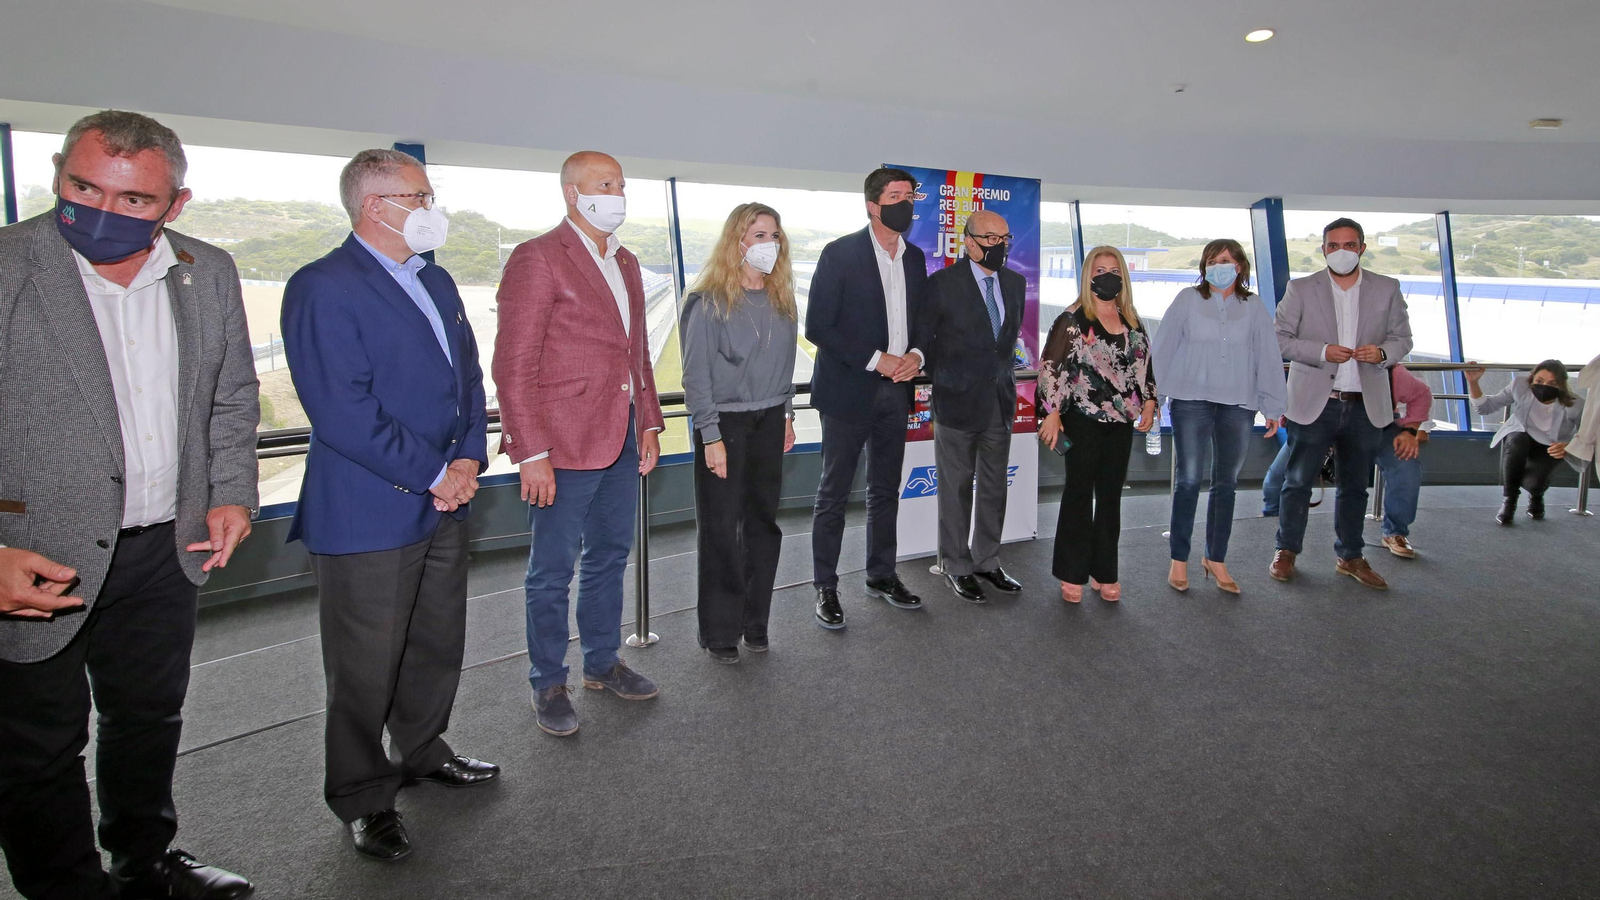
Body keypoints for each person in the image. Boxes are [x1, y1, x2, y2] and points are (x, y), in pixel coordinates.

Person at [0, 111, 257, 899]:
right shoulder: (9, 265)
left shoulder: (208, 271)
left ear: (175, 204)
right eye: (83, 187)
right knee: (39, 747)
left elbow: (230, 399)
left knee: (148, 718)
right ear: (58, 174)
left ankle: (145, 863)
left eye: (133, 199)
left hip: (163, 547)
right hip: (34, 556)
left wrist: (229, 492)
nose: (100, 211)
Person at [281, 149, 497, 862]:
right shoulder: (322, 286)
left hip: (446, 496)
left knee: (435, 642)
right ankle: (362, 796)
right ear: (375, 206)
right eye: (420, 196)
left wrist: (467, 458)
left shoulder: (434, 279)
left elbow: (467, 380)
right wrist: (434, 473)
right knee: (364, 665)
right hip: (368, 510)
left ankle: (423, 750)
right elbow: (342, 410)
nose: (433, 207)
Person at [494, 151, 665, 737]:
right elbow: (513, 365)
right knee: (551, 572)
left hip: (620, 435)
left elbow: (636, 352)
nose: (617, 194)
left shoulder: (627, 261)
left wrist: (648, 423)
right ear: (573, 193)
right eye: (604, 184)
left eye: (621, 184)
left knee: (610, 555)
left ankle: (601, 662)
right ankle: (548, 681)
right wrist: (530, 452)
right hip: (561, 445)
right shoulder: (538, 257)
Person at [806, 167, 929, 629]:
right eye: (895, 196)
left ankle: (881, 575)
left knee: (885, 490)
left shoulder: (915, 259)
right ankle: (825, 587)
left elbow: (922, 322)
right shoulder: (839, 254)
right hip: (847, 392)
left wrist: (916, 355)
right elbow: (819, 326)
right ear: (873, 205)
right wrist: (879, 360)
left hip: (897, 393)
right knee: (834, 493)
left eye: (910, 195)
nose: (906, 203)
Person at [679, 203, 798, 663]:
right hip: (724, 424)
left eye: (774, 235)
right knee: (721, 528)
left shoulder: (783, 300)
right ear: (737, 242)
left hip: (770, 420)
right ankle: (720, 630)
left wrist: (787, 415)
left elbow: (784, 366)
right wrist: (710, 436)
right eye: (759, 235)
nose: (770, 244)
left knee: (763, 525)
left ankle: (756, 623)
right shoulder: (707, 302)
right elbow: (696, 377)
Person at [1271, 218, 1413, 589]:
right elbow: (1279, 338)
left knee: (1354, 487)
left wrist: (1382, 353)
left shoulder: (1387, 288)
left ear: (1362, 248)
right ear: (1323, 250)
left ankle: (1351, 556)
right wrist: (1321, 351)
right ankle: (1286, 550)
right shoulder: (1301, 288)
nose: (1341, 252)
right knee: (1297, 482)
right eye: (1333, 246)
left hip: (1365, 404)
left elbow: (1403, 339)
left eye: (1349, 245)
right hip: (1313, 403)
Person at [1151, 239, 1286, 594]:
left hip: (1239, 403)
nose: (1218, 266)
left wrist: (1273, 407)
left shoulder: (1253, 306)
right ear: (1203, 266)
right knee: (1188, 480)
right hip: (1190, 400)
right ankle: (1179, 558)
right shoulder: (1187, 299)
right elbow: (1163, 349)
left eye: (1224, 260)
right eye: (1211, 261)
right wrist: (1154, 398)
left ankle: (1216, 557)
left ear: (1239, 266)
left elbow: (1268, 357)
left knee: (1226, 483)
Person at [910, 209, 1025, 603]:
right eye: (991, 239)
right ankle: (956, 566)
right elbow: (924, 340)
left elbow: (1004, 346)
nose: (1000, 246)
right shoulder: (942, 284)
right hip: (956, 402)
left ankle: (988, 561)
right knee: (955, 489)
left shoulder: (1015, 283)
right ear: (969, 242)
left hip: (999, 402)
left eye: (1005, 238)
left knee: (994, 488)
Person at [1037, 246, 1158, 603]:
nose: (1108, 276)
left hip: (1121, 423)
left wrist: (1150, 401)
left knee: (1110, 495)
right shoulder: (1072, 319)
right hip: (1082, 419)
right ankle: (1071, 572)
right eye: (1100, 269)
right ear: (1088, 274)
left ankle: (1104, 572)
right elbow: (1051, 366)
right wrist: (1052, 412)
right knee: (1078, 493)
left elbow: (1144, 365)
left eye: (1114, 270)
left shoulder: (1132, 320)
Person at [1466, 360, 1587, 524]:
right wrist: (1473, 383)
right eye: (1539, 381)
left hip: (1551, 446)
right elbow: (1485, 408)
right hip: (1522, 436)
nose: (1544, 386)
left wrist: (1569, 446)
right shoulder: (1519, 386)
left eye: (1552, 383)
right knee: (1517, 441)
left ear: (1561, 385)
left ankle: (1536, 495)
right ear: (1532, 379)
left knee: (1534, 485)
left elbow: (1588, 435)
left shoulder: (1575, 404)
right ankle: (1509, 501)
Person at [1373, 365, 1434, 558]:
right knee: (1293, 469)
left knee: (1405, 464)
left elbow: (1422, 394)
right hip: (1327, 418)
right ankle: (1290, 542)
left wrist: (1410, 431)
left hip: (1382, 422)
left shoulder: (1391, 369)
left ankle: (1395, 531)